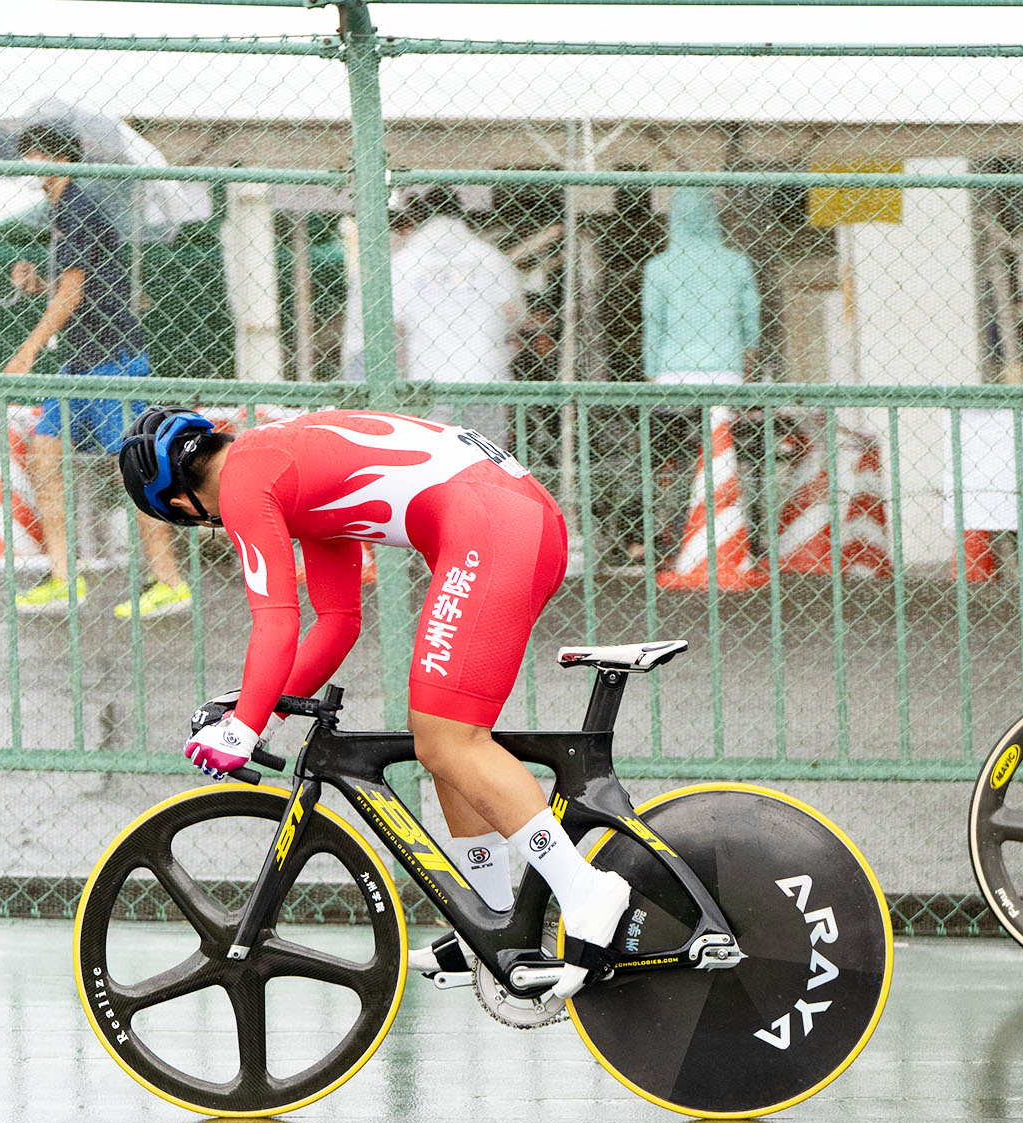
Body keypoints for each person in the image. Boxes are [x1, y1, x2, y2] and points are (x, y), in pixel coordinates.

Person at [117, 405, 631, 998]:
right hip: (507, 519)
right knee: (442, 741)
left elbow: (277, 623)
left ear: (181, 507)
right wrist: (260, 710)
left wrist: (240, 731)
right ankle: (492, 922)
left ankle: (585, 890)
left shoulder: (242, 486)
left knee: (447, 738)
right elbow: (336, 623)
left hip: (493, 527)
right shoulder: (282, 465)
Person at [4, 123, 190, 619]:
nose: (27, 165)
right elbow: (74, 288)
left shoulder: (79, 209)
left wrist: (26, 353)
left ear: (61, 159)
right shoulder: (61, 214)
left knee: (136, 470)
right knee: (44, 453)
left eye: (35, 154)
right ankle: (65, 577)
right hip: (79, 364)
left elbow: (74, 294)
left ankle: (169, 581)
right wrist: (37, 284)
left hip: (114, 362)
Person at [636, 188, 764, 560]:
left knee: (674, 458)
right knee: (728, 458)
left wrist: (651, 375)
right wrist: (746, 365)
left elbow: (653, 326)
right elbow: (750, 322)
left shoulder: (658, 267)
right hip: (726, 374)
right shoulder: (736, 263)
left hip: (672, 376)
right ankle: (739, 536)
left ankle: (671, 536)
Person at [389, 187, 526, 442]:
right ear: (461, 214)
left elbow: (394, 326)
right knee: (486, 457)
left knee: (433, 458)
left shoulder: (404, 262)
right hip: (485, 374)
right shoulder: (488, 257)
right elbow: (513, 312)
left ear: (418, 217)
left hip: (427, 379)